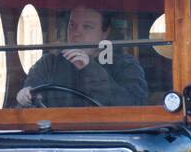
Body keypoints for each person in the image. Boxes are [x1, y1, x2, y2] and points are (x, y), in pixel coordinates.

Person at [15, 7, 147, 107]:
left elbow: (134, 105)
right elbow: (26, 106)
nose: (76, 33)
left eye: (87, 27)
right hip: (55, 136)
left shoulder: (125, 65)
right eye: (72, 25)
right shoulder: (48, 63)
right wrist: (25, 97)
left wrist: (90, 68)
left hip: (110, 137)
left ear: (105, 33)